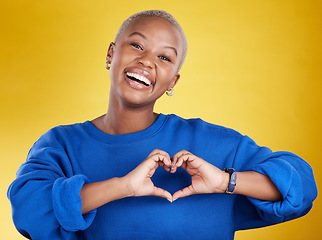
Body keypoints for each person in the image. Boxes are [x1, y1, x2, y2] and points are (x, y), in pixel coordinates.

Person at [8, 10, 317, 240]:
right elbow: (28, 210)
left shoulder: (214, 146)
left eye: (165, 58)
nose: (147, 62)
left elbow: (301, 188)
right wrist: (123, 187)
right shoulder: (61, 144)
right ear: (111, 54)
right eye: (137, 46)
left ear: (173, 81)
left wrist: (226, 182)